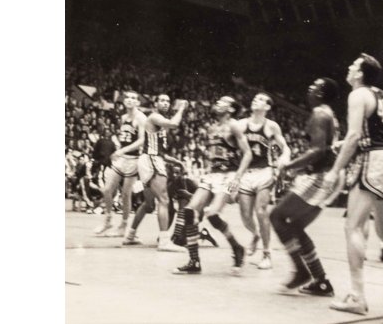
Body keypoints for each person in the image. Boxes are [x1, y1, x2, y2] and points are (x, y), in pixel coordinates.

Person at [325, 54, 383, 315]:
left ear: (359, 74)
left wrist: (335, 170)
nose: (348, 67)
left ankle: (357, 297)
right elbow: (378, 132)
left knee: (353, 227)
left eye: (353, 65)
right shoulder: (380, 94)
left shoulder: (357, 95)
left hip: (375, 161)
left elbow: (356, 134)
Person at [270, 78, 339, 297]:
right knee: (296, 227)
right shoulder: (329, 114)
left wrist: (288, 167)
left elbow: (317, 151)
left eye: (315, 86)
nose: (309, 87)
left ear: (321, 93)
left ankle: (301, 271)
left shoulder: (319, 114)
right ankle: (321, 281)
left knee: (277, 216)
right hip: (326, 176)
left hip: (321, 176)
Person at [172, 96, 253, 275]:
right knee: (190, 211)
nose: (217, 103)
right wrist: (207, 173)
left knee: (213, 214)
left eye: (224, 102)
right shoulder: (211, 128)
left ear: (231, 109)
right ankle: (194, 261)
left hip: (229, 175)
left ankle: (237, 247)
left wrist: (237, 177)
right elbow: (215, 154)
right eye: (217, 101)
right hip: (213, 174)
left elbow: (247, 154)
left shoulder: (234, 126)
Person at [123, 94, 187, 251]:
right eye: (162, 100)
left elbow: (161, 152)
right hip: (151, 161)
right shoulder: (154, 117)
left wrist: (175, 161)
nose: (165, 103)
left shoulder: (160, 124)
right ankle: (164, 242)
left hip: (149, 160)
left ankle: (130, 235)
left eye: (167, 101)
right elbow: (174, 123)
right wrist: (182, 109)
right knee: (164, 200)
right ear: (155, 103)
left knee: (149, 204)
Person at [236, 93, 291, 270]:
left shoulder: (271, 126)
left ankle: (267, 254)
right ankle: (255, 234)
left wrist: (285, 157)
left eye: (260, 99)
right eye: (254, 98)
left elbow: (285, 148)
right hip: (246, 173)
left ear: (267, 107)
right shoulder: (241, 124)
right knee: (245, 216)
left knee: (261, 212)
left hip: (264, 172)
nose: (255, 100)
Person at [94, 91, 146, 236]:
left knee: (125, 194)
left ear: (138, 102)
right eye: (128, 97)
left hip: (133, 160)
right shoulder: (123, 117)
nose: (130, 100)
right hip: (121, 158)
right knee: (106, 189)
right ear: (123, 101)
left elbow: (142, 140)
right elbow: (124, 136)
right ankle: (108, 220)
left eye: (134, 98)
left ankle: (123, 225)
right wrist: (118, 148)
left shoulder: (141, 118)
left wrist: (122, 151)